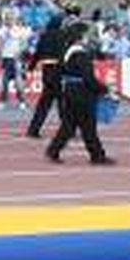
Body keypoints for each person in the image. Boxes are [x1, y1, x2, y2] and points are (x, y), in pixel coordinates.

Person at [46, 22, 115, 166]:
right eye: (87, 34)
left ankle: (54, 149)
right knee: (88, 126)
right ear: (81, 36)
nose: (89, 37)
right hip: (82, 93)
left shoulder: (67, 52)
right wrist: (104, 89)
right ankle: (97, 156)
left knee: (69, 125)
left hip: (70, 91)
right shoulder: (81, 55)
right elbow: (89, 78)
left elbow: (57, 73)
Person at [25, 13, 68, 138]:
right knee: (62, 102)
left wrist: (31, 67)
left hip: (46, 70)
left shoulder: (44, 36)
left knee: (44, 103)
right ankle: (66, 129)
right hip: (58, 71)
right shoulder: (62, 36)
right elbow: (63, 54)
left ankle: (33, 129)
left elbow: (37, 53)